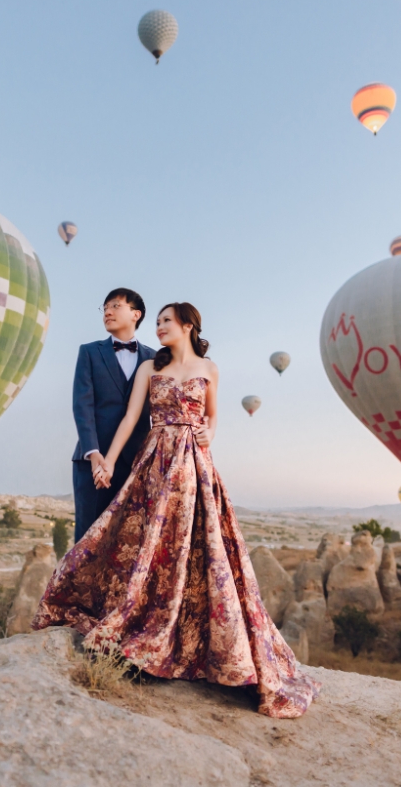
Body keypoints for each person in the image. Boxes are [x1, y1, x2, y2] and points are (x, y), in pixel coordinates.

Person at [35, 303, 319, 718]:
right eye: (158, 322)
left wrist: (210, 432)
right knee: (148, 543)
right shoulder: (151, 367)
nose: (159, 327)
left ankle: (189, 637)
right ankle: (141, 625)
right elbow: (133, 417)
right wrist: (110, 460)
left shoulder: (210, 367)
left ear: (187, 325)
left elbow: (214, 417)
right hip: (156, 459)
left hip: (194, 463)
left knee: (196, 545)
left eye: (166, 321)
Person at [70, 288, 156, 542]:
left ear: (135, 314)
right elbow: (81, 405)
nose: (107, 311)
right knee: (88, 540)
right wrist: (93, 453)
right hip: (92, 463)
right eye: (105, 307)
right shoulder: (89, 352)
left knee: (131, 542)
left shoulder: (155, 359)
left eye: (116, 306)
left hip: (138, 464)